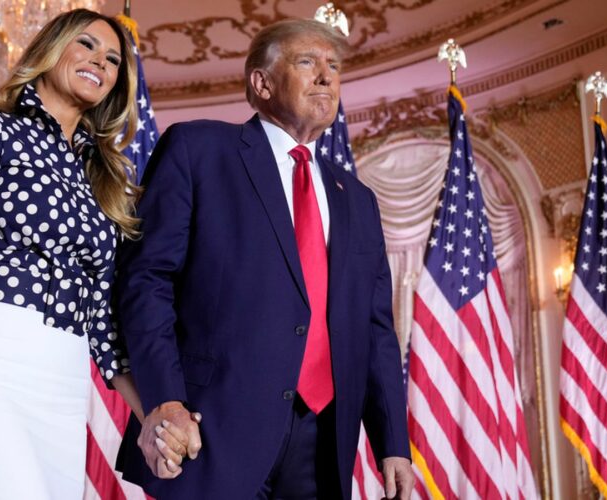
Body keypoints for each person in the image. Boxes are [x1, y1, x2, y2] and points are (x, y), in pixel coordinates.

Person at [115, 18, 414, 500]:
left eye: (333, 66)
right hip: (209, 431)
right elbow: (145, 280)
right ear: (262, 82)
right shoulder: (198, 149)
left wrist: (393, 443)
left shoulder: (357, 198)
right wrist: (164, 400)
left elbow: (375, 328)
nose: (326, 76)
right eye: (307, 62)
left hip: (323, 441)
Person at [0, 9, 180, 499]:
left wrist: (152, 414)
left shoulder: (103, 180)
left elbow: (104, 328)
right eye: (86, 45)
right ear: (50, 48)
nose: (101, 62)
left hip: (64, 379)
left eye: (112, 59)